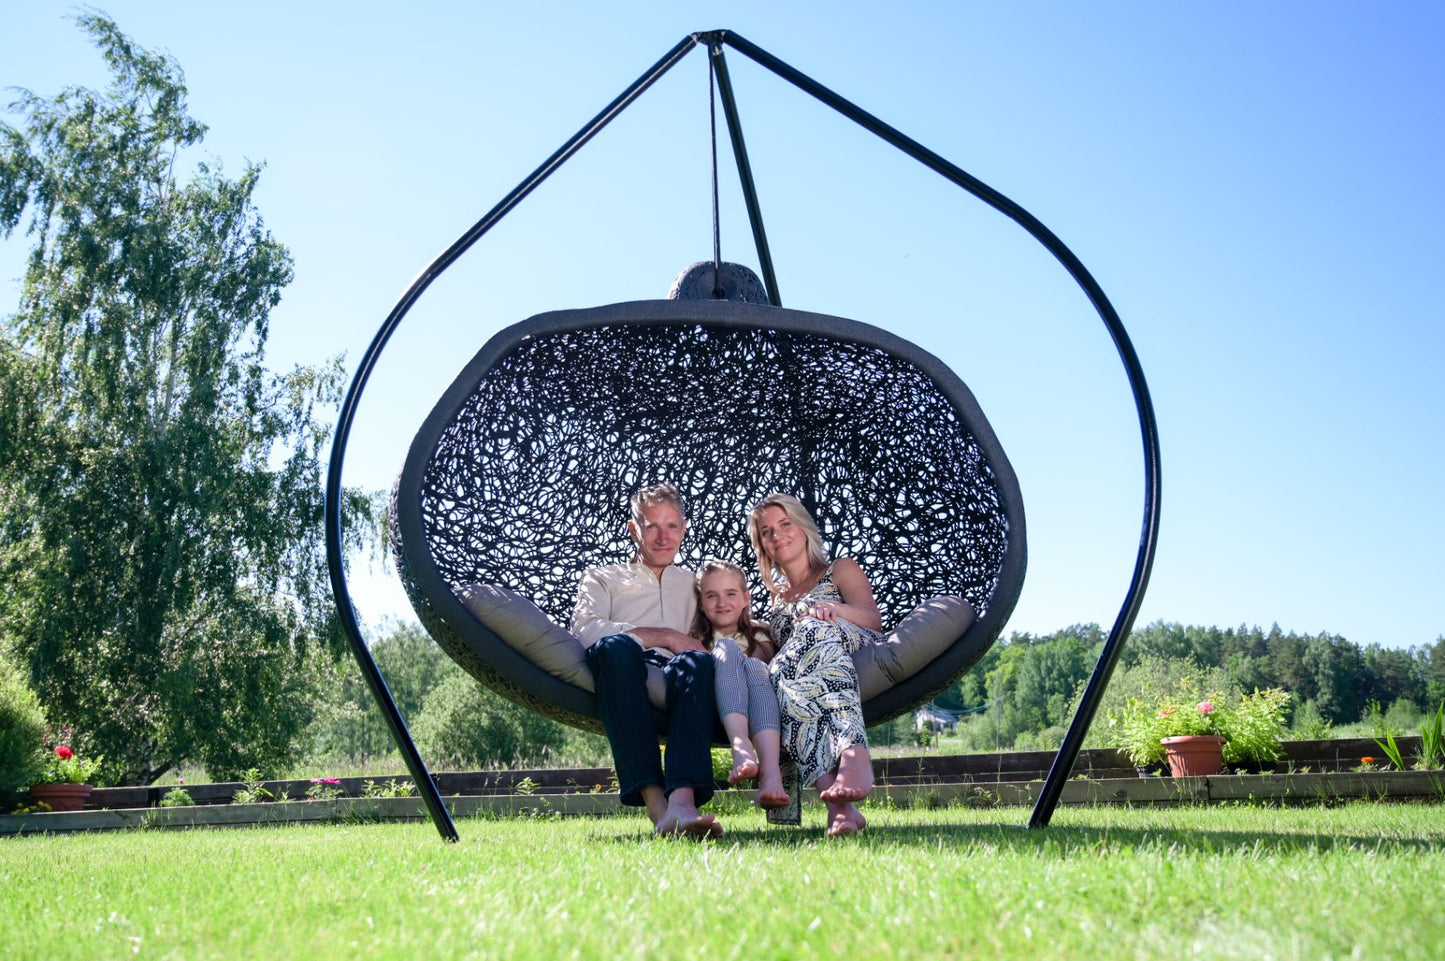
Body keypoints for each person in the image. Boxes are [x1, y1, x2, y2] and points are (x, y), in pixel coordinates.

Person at [571, 482, 722, 838]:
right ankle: (657, 804)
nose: (662, 537)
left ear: (684, 529)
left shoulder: (694, 584)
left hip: (679, 677)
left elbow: (723, 624)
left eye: (672, 526)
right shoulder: (602, 578)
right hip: (623, 669)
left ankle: (683, 804)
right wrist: (665, 636)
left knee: (697, 664)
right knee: (615, 647)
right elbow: (585, 629)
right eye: (651, 526)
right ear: (633, 529)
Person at [748, 492, 881, 837]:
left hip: (847, 641)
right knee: (777, 679)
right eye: (767, 532)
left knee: (809, 628)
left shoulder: (839, 569)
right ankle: (840, 808)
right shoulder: (775, 602)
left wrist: (831, 612)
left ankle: (854, 753)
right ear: (762, 545)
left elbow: (872, 619)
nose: (777, 535)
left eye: (785, 524)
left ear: (803, 528)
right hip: (805, 679)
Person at [690, 558, 789, 809]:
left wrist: (743, 659)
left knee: (755, 666)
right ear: (701, 604)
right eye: (712, 596)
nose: (722, 603)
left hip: (757, 701)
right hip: (717, 705)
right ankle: (740, 745)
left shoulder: (759, 633)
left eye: (731, 594)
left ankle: (770, 772)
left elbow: (765, 659)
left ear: (746, 598)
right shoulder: (695, 639)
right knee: (725, 647)